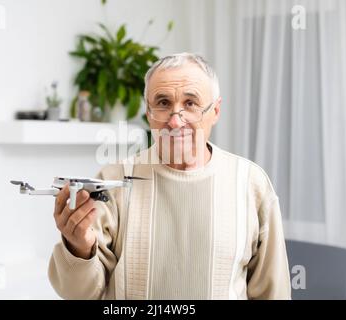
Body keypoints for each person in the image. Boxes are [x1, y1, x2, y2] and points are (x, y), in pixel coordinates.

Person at [48, 52, 291, 299]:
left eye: (190, 103)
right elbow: (79, 294)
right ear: (148, 112)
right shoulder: (113, 180)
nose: (175, 122)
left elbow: (274, 293)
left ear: (215, 111)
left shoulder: (252, 183)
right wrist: (78, 247)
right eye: (163, 103)